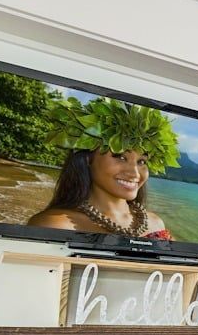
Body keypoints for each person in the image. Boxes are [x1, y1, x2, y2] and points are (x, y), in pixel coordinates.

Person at [29, 97, 181, 240]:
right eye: (120, 157)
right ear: (88, 159)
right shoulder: (54, 225)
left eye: (141, 161)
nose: (134, 173)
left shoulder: (156, 224)